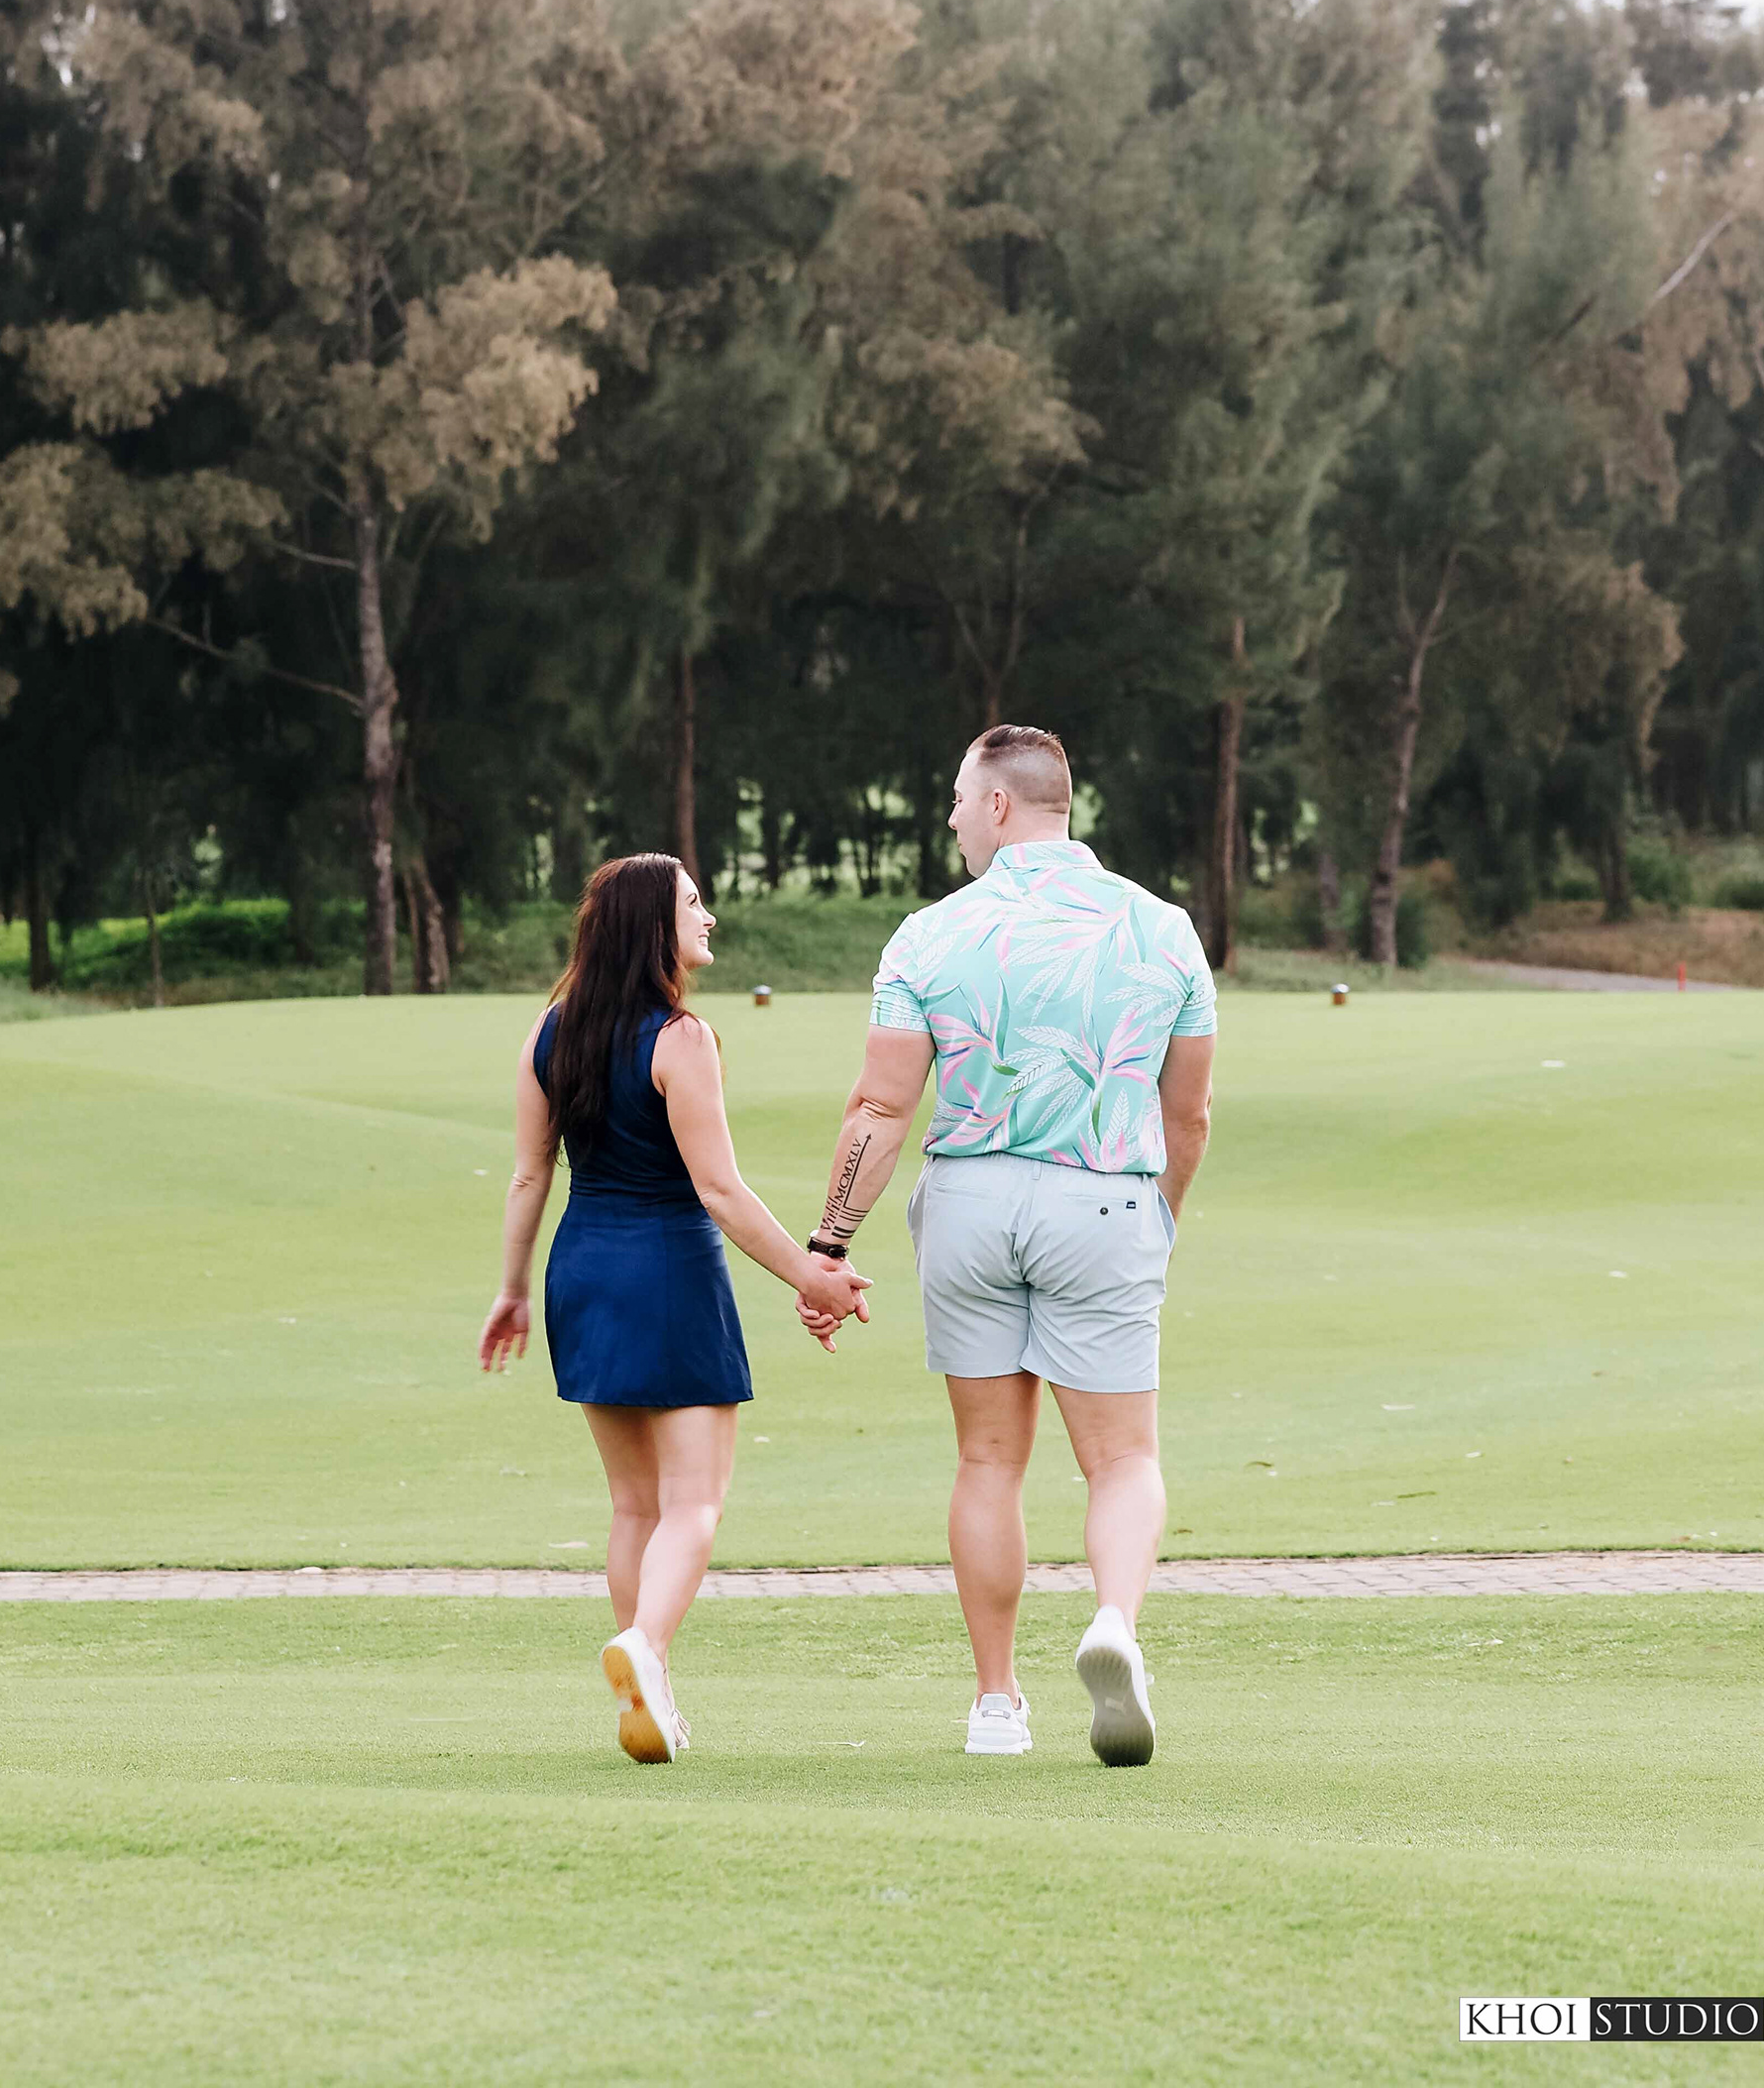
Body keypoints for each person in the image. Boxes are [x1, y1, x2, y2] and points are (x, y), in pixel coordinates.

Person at [800, 724, 1215, 1766]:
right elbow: (1190, 1115)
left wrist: (828, 1243)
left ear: (997, 806)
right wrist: (1157, 1215)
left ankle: (995, 1706)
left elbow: (880, 1109)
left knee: (988, 1459)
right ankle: (1115, 1622)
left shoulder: (929, 936)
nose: (948, 818)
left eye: (954, 799)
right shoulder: (1162, 931)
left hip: (972, 1206)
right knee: (1122, 1459)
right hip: (1104, 1203)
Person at [480, 851, 870, 1763]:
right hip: (668, 1271)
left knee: (633, 1508)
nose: (710, 919)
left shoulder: (549, 1031)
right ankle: (645, 1651)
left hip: (581, 1271)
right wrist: (812, 1277)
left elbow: (530, 1172)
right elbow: (722, 1192)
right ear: (655, 927)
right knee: (695, 1502)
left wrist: (509, 1291)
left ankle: (645, 1692)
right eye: (695, 904)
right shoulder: (682, 1039)